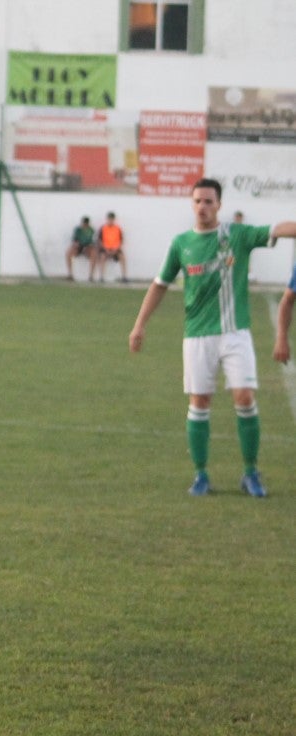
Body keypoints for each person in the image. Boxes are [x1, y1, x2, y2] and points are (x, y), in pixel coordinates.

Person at [128, 176, 296, 498]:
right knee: (199, 403)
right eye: (197, 201)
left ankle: (250, 473)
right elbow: (160, 284)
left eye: (208, 201)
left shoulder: (237, 235)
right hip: (197, 336)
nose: (202, 206)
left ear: (219, 205)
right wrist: (139, 325)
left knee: (245, 398)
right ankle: (201, 475)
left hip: (235, 333)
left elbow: (277, 229)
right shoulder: (181, 244)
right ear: (191, 204)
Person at [94, 212, 127, 283]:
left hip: (115, 249)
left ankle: (124, 276)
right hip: (105, 249)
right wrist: (106, 249)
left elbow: (121, 240)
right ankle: (101, 277)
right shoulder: (103, 228)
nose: (111, 221)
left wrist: (116, 249)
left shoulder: (118, 228)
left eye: (112, 219)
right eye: (109, 219)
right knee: (102, 257)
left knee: (122, 257)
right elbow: (100, 240)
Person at [65, 215, 96, 281]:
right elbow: (74, 240)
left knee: (94, 253)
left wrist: (88, 246)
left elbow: (92, 242)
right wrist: (76, 244)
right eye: (84, 223)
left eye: (86, 224)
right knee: (68, 253)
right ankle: (70, 274)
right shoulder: (78, 230)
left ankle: (91, 276)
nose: (84, 225)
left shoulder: (91, 230)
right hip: (78, 247)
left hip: (87, 248)